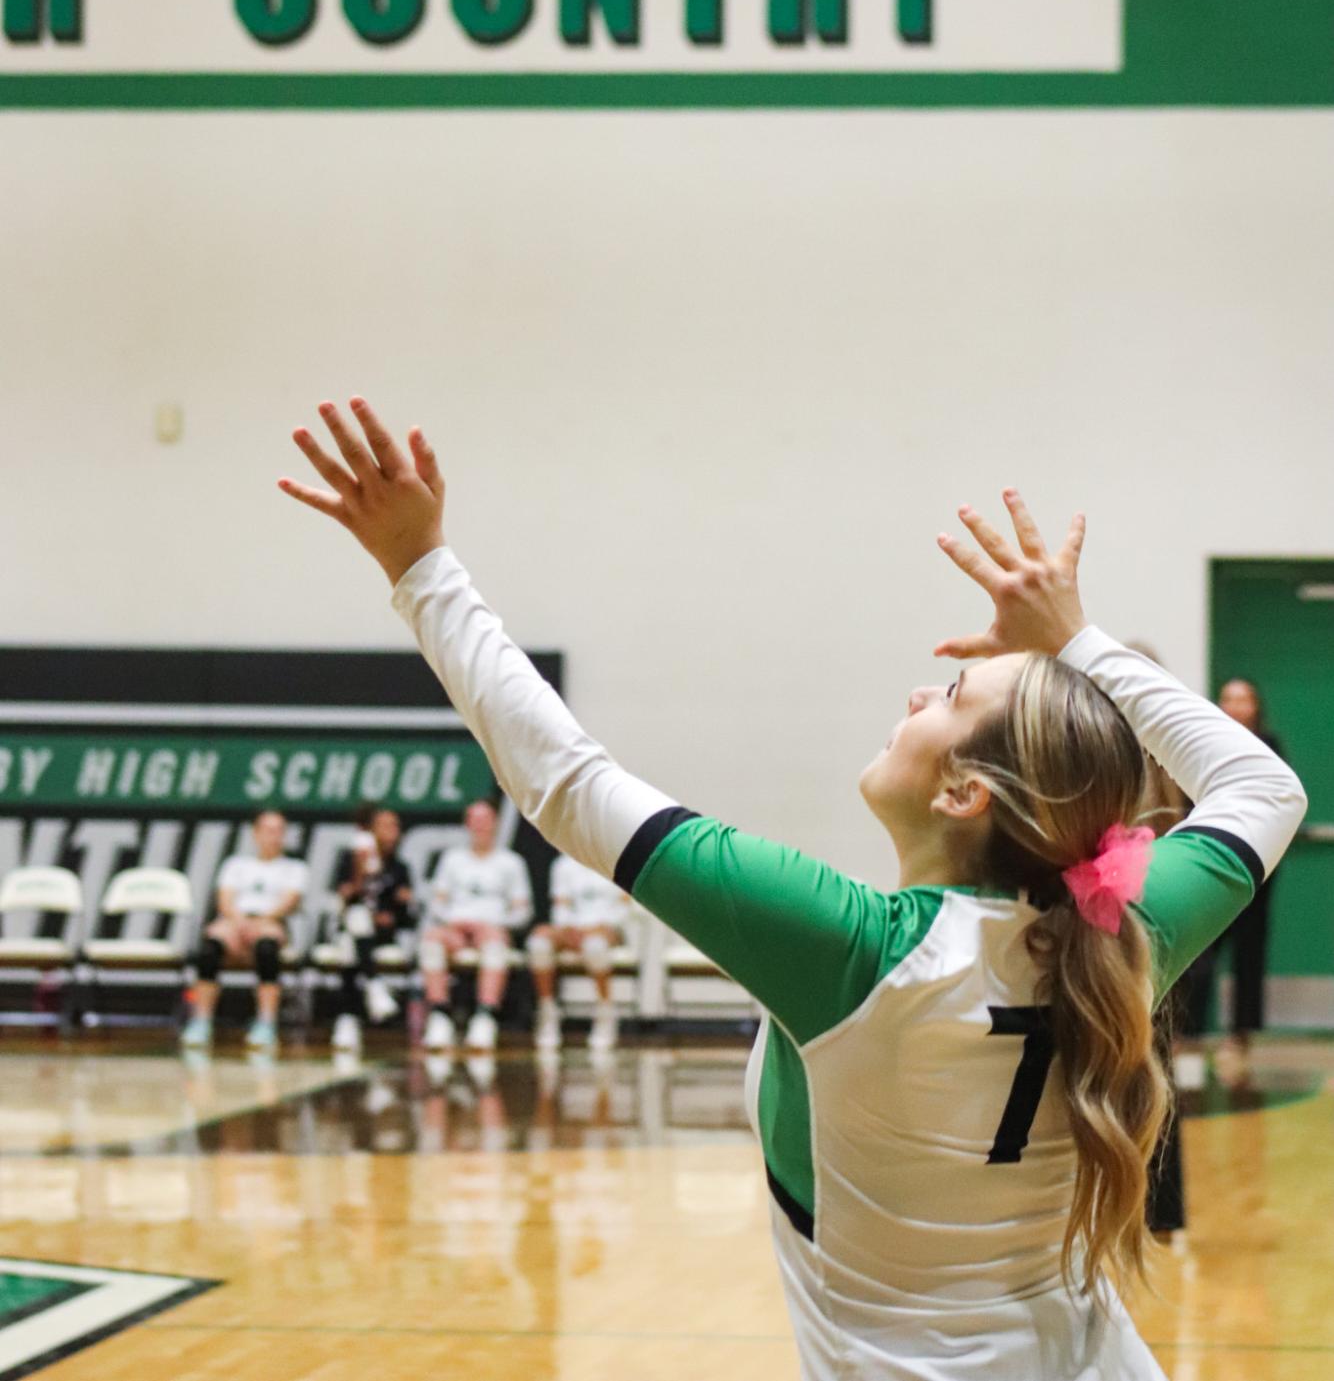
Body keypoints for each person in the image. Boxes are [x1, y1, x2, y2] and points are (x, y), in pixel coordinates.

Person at [278, 400, 1307, 1381]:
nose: (917, 692)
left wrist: (418, 566)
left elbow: (566, 782)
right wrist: (1073, 642)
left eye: (948, 698)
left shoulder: (848, 952)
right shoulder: (1118, 934)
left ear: (961, 790)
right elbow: (1263, 786)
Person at [1179, 677, 1283, 1069]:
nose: (1237, 706)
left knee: (1248, 952)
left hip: (1257, 861)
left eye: (1244, 699)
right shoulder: (1205, 744)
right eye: (1229, 699)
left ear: (1255, 707)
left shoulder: (1269, 748)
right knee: (1199, 948)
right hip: (1211, 857)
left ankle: (1241, 1034)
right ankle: (1189, 1031)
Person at [182, 808, 307, 1052]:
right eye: (268, 830)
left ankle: (266, 1023)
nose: (274, 836)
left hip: (271, 922)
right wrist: (240, 922)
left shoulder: (294, 868)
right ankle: (201, 1021)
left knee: (267, 949)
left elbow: (289, 902)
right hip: (235, 922)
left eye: (279, 830)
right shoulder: (236, 865)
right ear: (255, 833)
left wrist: (260, 921)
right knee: (210, 949)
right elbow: (225, 900)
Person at [419, 797, 532, 1052]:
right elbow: (437, 903)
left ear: (496, 824)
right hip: (455, 930)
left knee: (495, 943)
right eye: (475, 820)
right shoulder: (452, 860)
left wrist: (491, 924)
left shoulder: (511, 863)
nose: (480, 826)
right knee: (431, 939)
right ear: (467, 824)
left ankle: (485, 1017)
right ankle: (440, 1016)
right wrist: (453, 921)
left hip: (491, 930)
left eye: (485, 820)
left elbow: (523, 912)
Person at [330, 806, 417, 1053]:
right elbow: (344, 897)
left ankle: (347, 1019)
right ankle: (374, 984)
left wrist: (390, 913)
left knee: (351, 942)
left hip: (382, 936)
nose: (392, 831)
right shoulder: (351, 859)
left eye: (395, 826)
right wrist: (360, 871)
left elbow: (404, 911)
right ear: (371, 830)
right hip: (351, 927)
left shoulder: (399, 867)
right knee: (354, 925)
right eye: (385, 825)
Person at [527, 853, 631, 1052]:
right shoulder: (563, 864)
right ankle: (548, 1012)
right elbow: (561, 907)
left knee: (595, 946)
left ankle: (605, 1013)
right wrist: (567, 928)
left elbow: (624, 908)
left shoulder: (615, 857)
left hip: (607, 928)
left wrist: (601, 926)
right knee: (538, 942)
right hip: (573, 929)